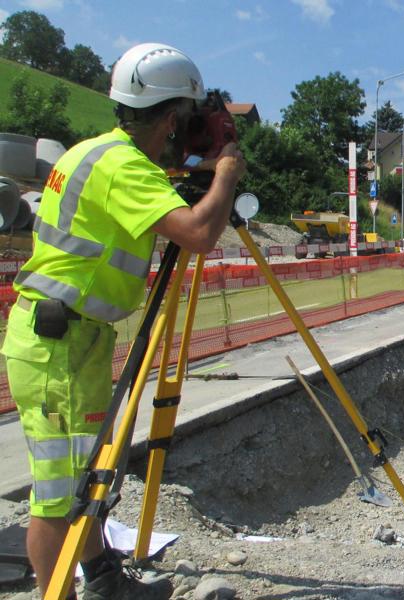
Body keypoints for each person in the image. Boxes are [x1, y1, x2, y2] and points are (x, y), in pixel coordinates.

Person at [2, 43, 246, 600]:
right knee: (58, 497)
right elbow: (200, 234)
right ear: (169, 117)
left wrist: (199, 165)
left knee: (82, 481)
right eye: (184, 120)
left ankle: (106, 583)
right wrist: (227, 173)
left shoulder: (93, 152)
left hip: (65, 336)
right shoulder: (126, 171)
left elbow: (151, 175)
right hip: (58, 347)